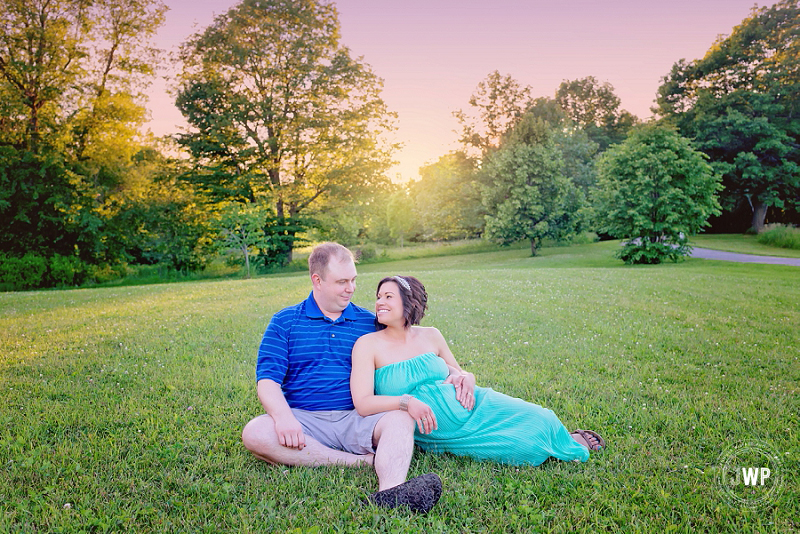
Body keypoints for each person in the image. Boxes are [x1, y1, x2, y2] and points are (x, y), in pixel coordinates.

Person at [241, 244, 442, 513]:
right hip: (304, 419)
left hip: (356, 418)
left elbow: (408, 344)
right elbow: (267, 382)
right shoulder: (285, 322)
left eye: (354, 280)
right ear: (317, 280)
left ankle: (391, 493)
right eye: (342, 282)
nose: (351, 288)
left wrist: (458, 372)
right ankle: (356, 462)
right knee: (255, 432)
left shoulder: (369, 322)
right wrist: (284, 418)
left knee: (401, 418)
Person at [350, 275, 605, 467]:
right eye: (378, 296)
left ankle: (567, 437)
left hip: (477, 404)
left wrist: (467, 377)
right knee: (528, 450)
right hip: (448, 432)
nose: (379, 302)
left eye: (388, 296)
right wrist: (406, 403)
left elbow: (459, 374)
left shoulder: (431, 335)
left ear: (409, 303)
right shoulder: (368, 345)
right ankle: (560, 442)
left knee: (544, 417)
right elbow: (363, 403)